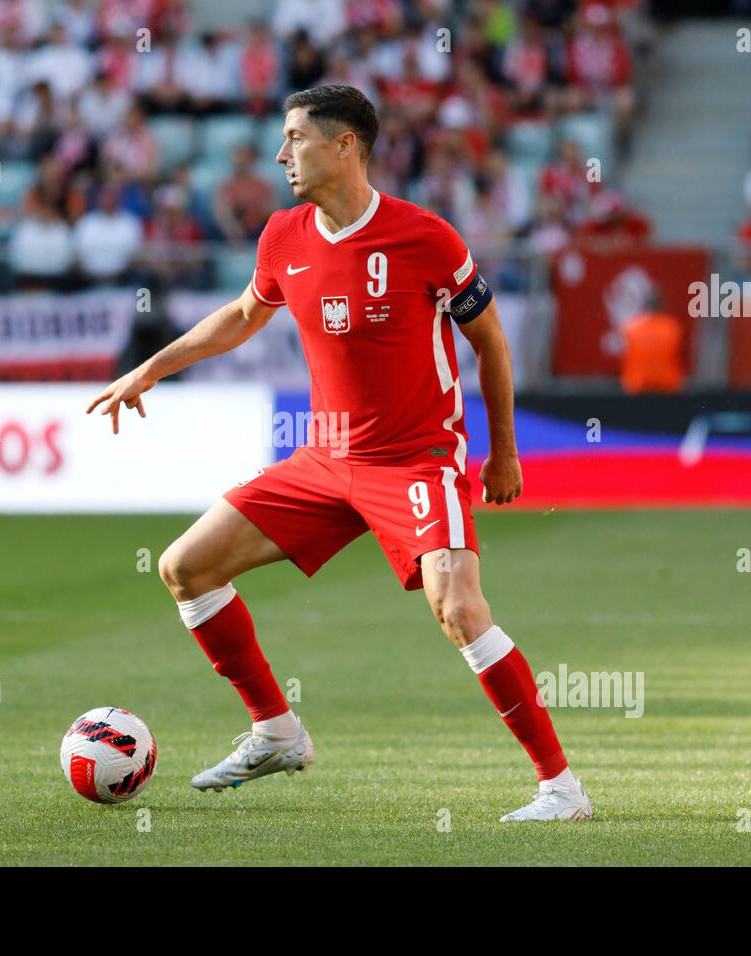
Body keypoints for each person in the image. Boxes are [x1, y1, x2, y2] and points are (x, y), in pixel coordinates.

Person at [88, 85, 591, 822]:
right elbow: (240, 317)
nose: (282, 153)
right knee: (185, 567)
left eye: (296, 138)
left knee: (459, 607)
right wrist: (151, 369)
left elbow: (489, 341)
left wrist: (503, 452)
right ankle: (276, 729)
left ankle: (562, 789)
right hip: (325, 461)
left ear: (345, 144)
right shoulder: (284, 235)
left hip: (418, 458)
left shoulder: (427, 238)